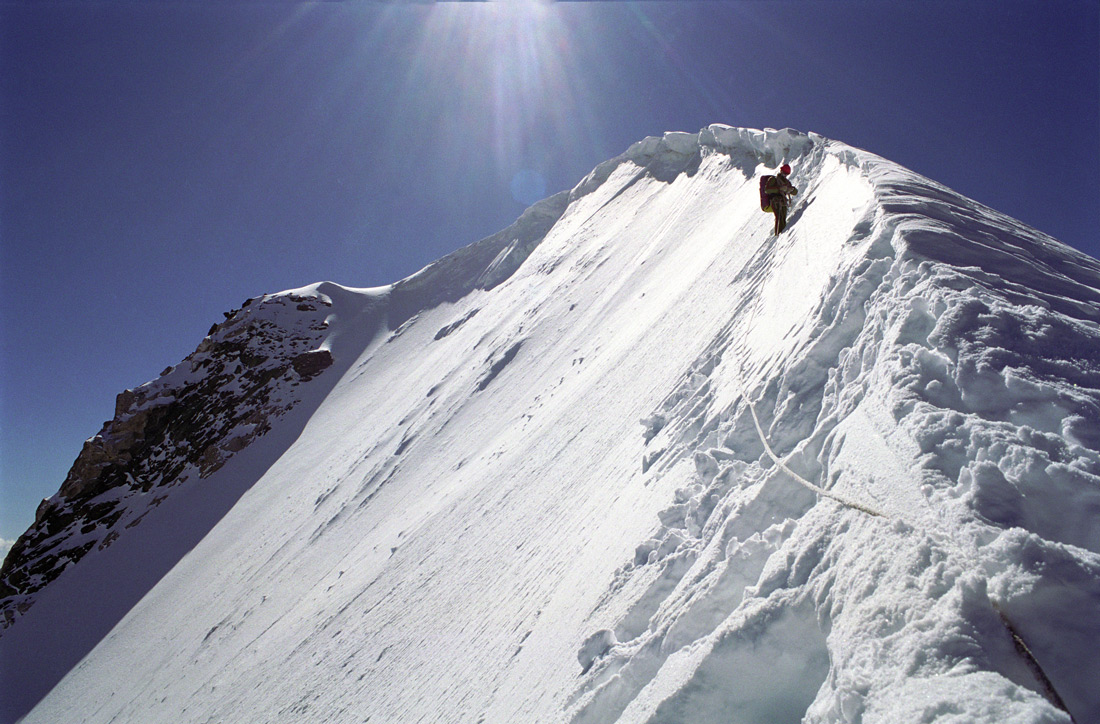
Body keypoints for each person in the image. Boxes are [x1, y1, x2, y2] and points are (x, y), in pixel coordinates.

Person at [764, 164, 798, 234]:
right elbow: (767, 190)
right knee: (779, 218)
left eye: (786, 174)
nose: (785, 175)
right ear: (781, 171)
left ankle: (781, 234)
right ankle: (778, 234)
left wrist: (791, 190)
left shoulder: (787, 182)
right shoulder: (773, 179)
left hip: (783, 202)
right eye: (784, 173)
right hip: (775, 201)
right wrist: (779, 189)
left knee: (782, 219)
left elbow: (795, 192)